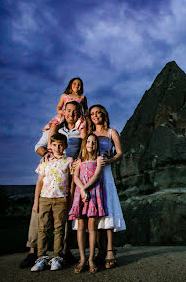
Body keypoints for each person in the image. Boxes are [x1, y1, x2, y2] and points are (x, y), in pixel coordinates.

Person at [20, 101, 83, 268]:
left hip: (68, 172)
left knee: (64, 214)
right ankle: (34, 252)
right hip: (50, 174)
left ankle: (62, 252)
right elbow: (38, 147)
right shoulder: (54, 127)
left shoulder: (81, 130)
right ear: (63, 111)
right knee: (40, 214)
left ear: (79, 113)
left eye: (75, 111)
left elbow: (84, 148)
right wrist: (47, 154)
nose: (71, 114)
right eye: (68, 110)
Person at [73, 104, 125, 269]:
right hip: (88, 174)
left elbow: (119, 153)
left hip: (105, 172)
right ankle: (98, 250)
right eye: (92, 113)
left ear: (104, 114)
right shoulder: (89, 135)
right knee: (92, 211)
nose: (95, 115)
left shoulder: (111, 132)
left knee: (107, 208)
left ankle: (109, 250)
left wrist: (107, 162)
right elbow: (83, 152)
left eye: (98, 113)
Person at [30, 133, 73, 272]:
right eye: (54, 145)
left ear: (65, 146)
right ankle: (41, 257)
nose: (58, 147)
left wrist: (70, 201)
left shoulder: (69, 161)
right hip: (45, 198)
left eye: (60, 145)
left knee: (59, 228)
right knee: (42, 228)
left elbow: (72, 183)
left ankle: (56, 257)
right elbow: (39, 182)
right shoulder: (45, 161)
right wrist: (36, 202)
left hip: (61, 199)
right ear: (50, 146)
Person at [69, 134, 107, 274]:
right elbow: (75, 177)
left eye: (94, 142)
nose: (91, 143)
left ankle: (91, 258)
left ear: (96, 145)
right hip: (81, 195)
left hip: (93, 193)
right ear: (85, 144)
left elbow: (97, 175)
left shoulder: (99, 159)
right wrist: (82, 190)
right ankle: (82, 259)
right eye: (88, 141)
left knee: (92, 227)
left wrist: (86, 189)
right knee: (80, 226)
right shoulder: (79, 161)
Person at [43, 77, 88, 147]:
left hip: (77, 116)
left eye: (79, 85)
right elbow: (59, 106)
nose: (76, 86)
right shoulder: (65, 96)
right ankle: (49, 146)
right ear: (70, 85)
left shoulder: (82, 97)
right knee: (54, 126)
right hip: (65, 114)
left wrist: (85, 116)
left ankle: (83, 149)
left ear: (81, 87)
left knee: (83, 129)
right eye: (74, 84)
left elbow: (86, 109)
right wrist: (60, 112)